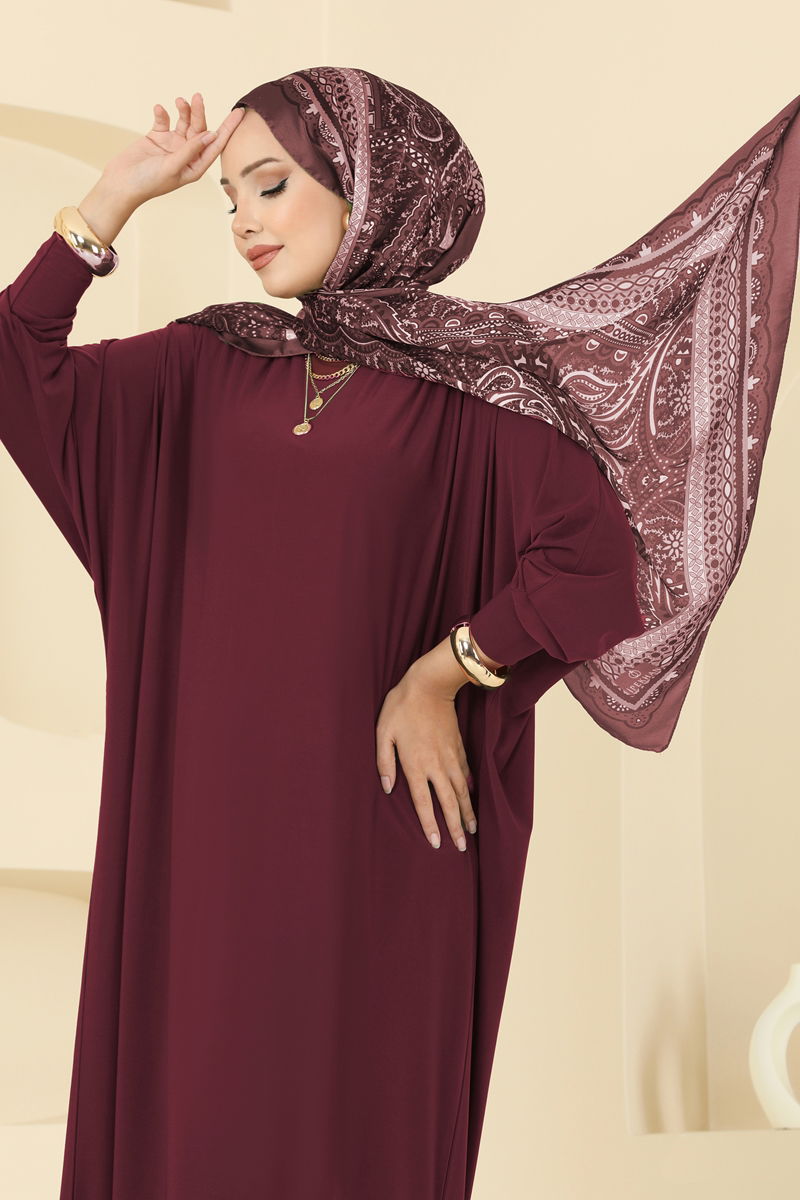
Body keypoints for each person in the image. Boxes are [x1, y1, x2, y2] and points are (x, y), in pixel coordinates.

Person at [6, 66, 787, 1199]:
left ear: (367, 190)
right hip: (202, 845)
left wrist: (441, 674)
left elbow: (594, 566)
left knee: (345, 1130)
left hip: (371, 842)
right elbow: (16, 361)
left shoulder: (476, 395)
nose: (244, 222)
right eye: (228, 197)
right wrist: (114, 197)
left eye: (271, 185)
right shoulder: (196, 369)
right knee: (197, 1119)